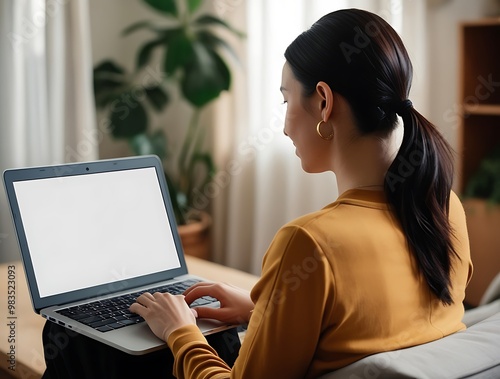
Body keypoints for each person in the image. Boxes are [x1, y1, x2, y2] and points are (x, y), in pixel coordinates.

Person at [129, 8, 472, 379]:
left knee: (92, 345)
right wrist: (262, 309)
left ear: (324, 102)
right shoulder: (443, 207)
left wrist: (180, 332)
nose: (285, 126)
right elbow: (375, 329)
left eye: (285, 101)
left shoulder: (309, 243)